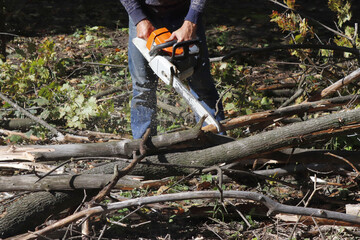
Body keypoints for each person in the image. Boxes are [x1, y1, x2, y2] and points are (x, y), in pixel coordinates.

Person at [119, 0, 225, 139]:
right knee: (143, 88)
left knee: (202, 86)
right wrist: (138, 17)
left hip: (184, 14)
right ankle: (143, 147)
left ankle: (216, 144)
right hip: (144, 12)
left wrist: (191, 20)